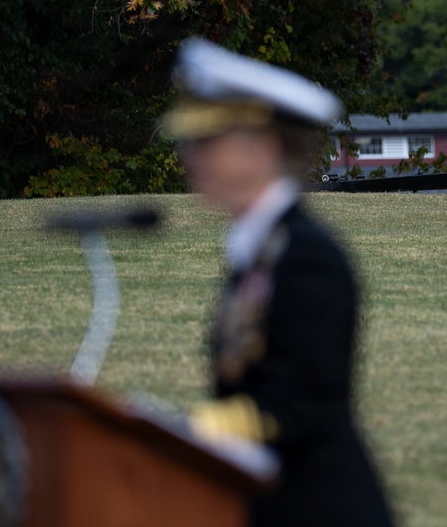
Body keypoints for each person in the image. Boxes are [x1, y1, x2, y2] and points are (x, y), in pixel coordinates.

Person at [163, 37, 396, 527]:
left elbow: (304, 403)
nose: (191, 157)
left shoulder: (306, 255)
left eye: (208, 141)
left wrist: (191, 431)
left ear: (262, 148)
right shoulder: (263, 248)